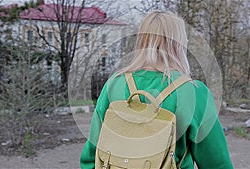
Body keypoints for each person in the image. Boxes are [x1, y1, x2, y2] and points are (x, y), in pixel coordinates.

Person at [80, 11, 233, 169]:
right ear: (179, 44)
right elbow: (216, 163)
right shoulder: (194, 92)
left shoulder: (113, 84)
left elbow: (91, 157)